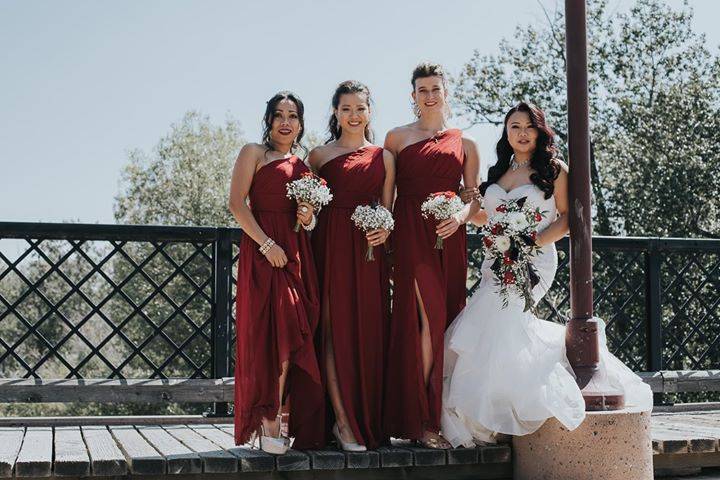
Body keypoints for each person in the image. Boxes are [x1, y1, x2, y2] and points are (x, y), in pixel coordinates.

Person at [441, 101, 653, 447]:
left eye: (528, 127)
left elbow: (567, 218)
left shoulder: (554, 170)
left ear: (539, 131)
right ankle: (493, 409)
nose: (522, 133)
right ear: (506, 133)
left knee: (501, 321)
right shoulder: (497, 173)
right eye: (514, 127)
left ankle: (505, 411)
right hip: (496, 261)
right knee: (486, 324)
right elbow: (485, 217)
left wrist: (530, 240)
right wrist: (465, 214)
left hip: (535, 259)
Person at [383, 62, 481, 449]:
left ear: (446, 92)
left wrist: (459, 216)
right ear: (413, 96)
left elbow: (473, 199)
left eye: (435, 89)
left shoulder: (467, 143)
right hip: (409, 236)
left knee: (446, 325)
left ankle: (438, 412)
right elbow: (385, 197)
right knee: (425, 321)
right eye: (422, 90)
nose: (429, 96)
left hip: (449, 238)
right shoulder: (396, 138)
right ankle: (420, 419)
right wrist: (385, 241)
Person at [229, 91, 324, 454]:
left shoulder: (304, 166)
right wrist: (267, 246)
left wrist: (308, 216)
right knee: (268, 332)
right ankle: (269, 418)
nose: (286, 122)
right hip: (263, 251)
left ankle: (280, 412)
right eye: (279, 115)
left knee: (292, 330)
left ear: (300, 123)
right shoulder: (253, 153)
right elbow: (236, 204)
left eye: (293, 116)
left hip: (296, 255)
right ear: (269, 120)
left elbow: (311, 220)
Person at [309, 80, 394, 451]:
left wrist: (384, 231)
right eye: (346, 109)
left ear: (369, 111)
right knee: (331, 330)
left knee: (369, 332)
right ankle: (342, 423)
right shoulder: (318, 156)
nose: (354, 115)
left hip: (369, 253)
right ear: (335, 112)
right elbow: (307, 209)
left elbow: (389, 209)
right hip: (329, 247)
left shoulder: (384, 157)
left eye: (360, 108)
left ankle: (369, 420)